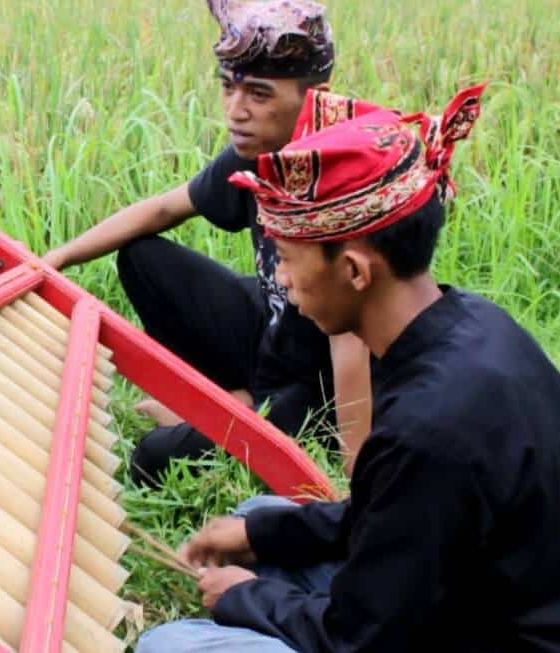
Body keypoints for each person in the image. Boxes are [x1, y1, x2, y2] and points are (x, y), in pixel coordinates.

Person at [139, 83, 560, 652]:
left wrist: (243, 596)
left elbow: (355, 641)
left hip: (480, 632)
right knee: (261, 513)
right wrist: (260, 536)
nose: (281, 281)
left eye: (287, 259)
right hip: (463, 585)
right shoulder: (475, 324)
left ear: (357, 271)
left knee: (171, 645)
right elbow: (385, 511)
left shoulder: (426, 429)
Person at [42, 0, 373, 487]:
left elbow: (350, 343)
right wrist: (57, 258)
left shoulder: (338, 186)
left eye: (258, 94)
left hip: (313, 384)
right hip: (271, 330)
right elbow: (162, 209)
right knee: (143, 257)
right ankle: (235, 396)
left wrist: (355, 476)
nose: (236, 111)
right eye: (228, 87)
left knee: (153, 459)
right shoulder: (256, 154)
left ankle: (247, 407)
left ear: (315, 98)